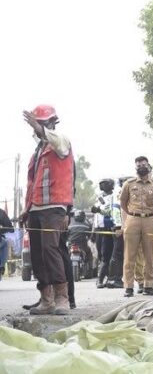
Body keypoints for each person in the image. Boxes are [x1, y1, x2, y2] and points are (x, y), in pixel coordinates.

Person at [21, 105, 74, 315]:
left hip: (54, 209)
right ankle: (46, 299)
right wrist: (26, 210)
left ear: (52, 123)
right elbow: (31, 184)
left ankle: (62, 297)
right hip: (35, 210)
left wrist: (68, 211)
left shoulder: (61, 143)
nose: (38, 128)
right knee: (36, 254)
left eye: (42, 124)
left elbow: (57, 143)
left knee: (50, 250)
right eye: (37, 124)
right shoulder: (37, 153)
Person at [120, 156, 153, 297]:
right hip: (133, 219)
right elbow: (123, 203)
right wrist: (126, 221)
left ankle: (148, 286)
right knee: (129, 255)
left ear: (148, 166)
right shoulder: (128, 184)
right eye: (138, 165)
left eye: (143, 164)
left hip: (150, 220)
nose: (141, 167)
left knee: (150, 255)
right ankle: (128, 287)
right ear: (135, 167)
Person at [91, 178, 115, 288]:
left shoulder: (113, 198)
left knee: (106, 255)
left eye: (105, 183)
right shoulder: (99, 197)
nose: (102, 185)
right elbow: (96, 216)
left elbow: (109, 212)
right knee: (100, 255)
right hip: (98, 230)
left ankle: (100, 279)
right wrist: (93, 232)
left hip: (108, 229)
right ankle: (107, 277)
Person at [105, 176, 129, 288]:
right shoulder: (120, 192)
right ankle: (114, 278)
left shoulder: (117, 192)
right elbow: (116, 210)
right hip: (119, 226)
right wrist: (119, 226)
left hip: (119, 226)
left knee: (118, 253)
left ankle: (114, 278)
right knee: (118, 254)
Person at [0, 208, 12, 280]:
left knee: (4, 242)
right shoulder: (1, 213)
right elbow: (10, 228)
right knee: (4, 243)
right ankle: (1, 266)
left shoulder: (1, 213)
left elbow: (9, 227)